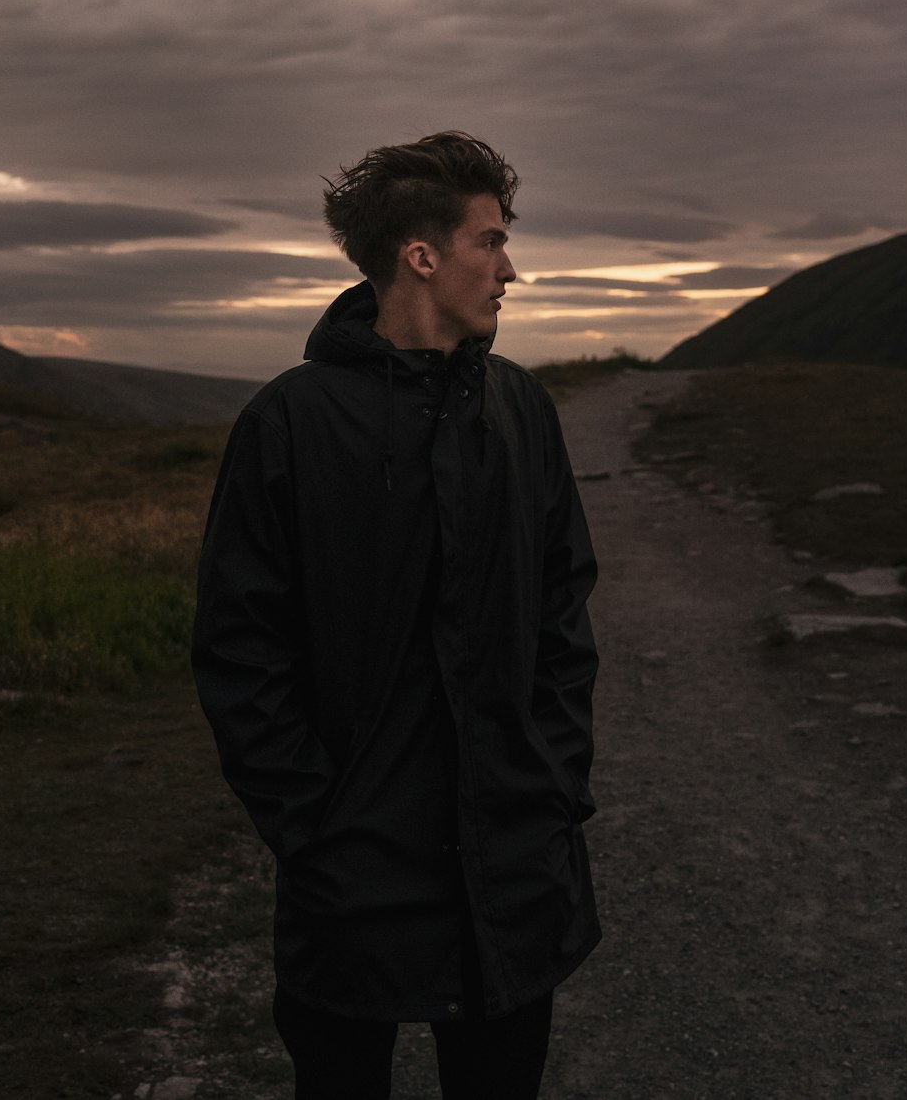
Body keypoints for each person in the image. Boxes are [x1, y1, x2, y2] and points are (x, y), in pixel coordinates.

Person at [192, 132, 599, 1099]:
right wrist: (311, 827)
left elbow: (562, 611)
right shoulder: (288, 423)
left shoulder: (521, 411)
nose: (511, 270)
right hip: (352, 869)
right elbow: (241, 649)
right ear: (422, 256)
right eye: (490, 243)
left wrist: (552, 778)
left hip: (512, 857)